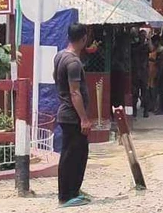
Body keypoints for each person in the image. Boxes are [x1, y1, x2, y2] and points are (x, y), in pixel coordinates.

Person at [54, 23, 92, 207]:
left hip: (66, 113)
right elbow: (74, 92)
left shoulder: (60, 56)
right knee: (72, 156)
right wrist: (84, 118)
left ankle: (73, 191)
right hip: (72, 116)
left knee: (75, 154)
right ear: (84, 38)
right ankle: (66, 196)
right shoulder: (74, 62)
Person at [130, 29, 150, 118]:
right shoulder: (137, 46)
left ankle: (144, 111)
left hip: (142, 72)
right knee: (136, 93)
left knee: (143, 93)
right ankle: (137, 111)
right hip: (139, 72)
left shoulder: (144, 47)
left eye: (143, 36)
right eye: (141, 36)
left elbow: (151, 49)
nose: (142, 38)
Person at [148, 34, 159, 113]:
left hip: (154, 73)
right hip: (150, 73)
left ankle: (154, 106)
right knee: (150, 89)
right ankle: (151, 105)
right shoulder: (153, 50)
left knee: (154, 90)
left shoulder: (158, 51)